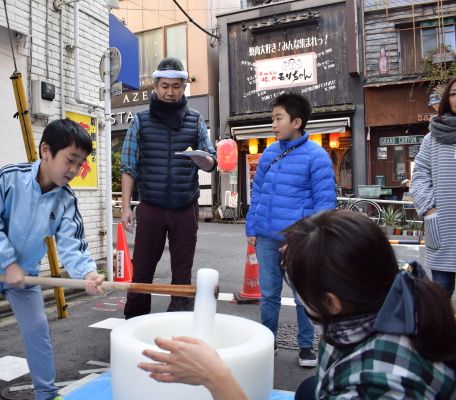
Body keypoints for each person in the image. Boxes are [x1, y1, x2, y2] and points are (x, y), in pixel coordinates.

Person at [140, 210, 456, 399]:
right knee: (308, 390)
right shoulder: (392, 291)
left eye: (297, 284)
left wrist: (215, 377)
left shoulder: (380, 385)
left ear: (331, 303)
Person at [0, 119, 106, 400]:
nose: (74, 170)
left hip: (26, 275)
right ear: (46, 150)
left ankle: (47, 394)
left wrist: (88, 274)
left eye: (80, 164)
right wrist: (9, 264)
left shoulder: (66, 200)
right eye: (70, 160)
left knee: (38, 333)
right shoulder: (8, 178)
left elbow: (73, 245)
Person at [120, 57, 217, 319]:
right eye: (165, 86)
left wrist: (204, 160)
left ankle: (179, 324)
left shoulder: (196, 120)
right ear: (155, 85)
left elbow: (211, 160)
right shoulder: (140, 120)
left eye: (176, 86)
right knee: (142, 269)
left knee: (182, 272)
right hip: (151, 206)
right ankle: (135, 321)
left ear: (184, 86)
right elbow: (128, 166)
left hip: (186, 207)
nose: (170, 92)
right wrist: (126, 207)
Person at [245, 92, 336, 367]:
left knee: (302, 296)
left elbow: (324, 205)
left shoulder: (317, 156)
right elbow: (257, 193)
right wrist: (252, 226)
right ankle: (268, 340)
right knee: (269, 293)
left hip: (298, 241)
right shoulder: (270, 152)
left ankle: (306, 345)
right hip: (264, 236)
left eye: (278, 118)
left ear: (296, 122)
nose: (272, 123)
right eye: (272, 117)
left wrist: (306, 238)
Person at [410, 76, 456, 299]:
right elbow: (418, 177)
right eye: (454, 93)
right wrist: (430, 211)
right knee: (440, 296)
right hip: (443, 227)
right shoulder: (432, 139)